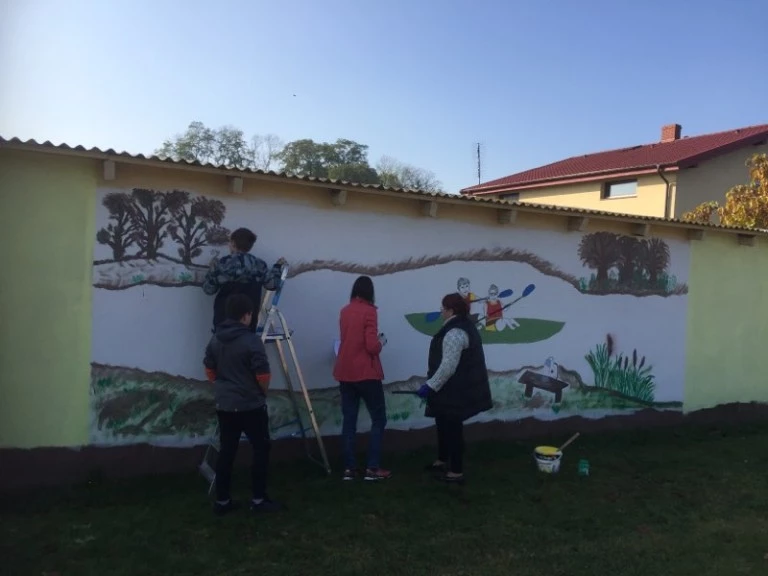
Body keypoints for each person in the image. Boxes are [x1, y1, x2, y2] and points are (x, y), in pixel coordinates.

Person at [203, 293, 283, 515]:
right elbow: (263, 375)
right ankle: (258, 500)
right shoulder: (251, 341)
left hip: (225, 405)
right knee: (260, 449)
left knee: (227, 451)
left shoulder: (216, 339)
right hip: (250, 405)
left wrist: (222, 388)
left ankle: (223, 502)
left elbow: (209, 368)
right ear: (247, 315)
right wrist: (261, 394)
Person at [417, 292, 493, 484]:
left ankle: (456, 471)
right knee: (442, 423)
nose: (441, 310)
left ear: (451, 310)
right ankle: (442, 460)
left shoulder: (454, 333)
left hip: (456, 390)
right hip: (451, 389)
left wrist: (430, 386)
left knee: (453, 428)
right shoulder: (463, 326)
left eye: (443, 307)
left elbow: (448, 366)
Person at [332, 276, 392, 481]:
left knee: (349, 420)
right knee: (379, 418)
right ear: (369, 292)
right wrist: (381, 341)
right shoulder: (370, 312)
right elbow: (371, 346)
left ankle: (349, 468)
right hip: (366, 372)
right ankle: (372, 468)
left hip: (345, 372)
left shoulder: (345, 311)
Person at [202, 227, 286, 332]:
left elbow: (208, 289)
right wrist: (277, 268)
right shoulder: (259, 265)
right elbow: (272, 285)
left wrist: (211, 271)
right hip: (249, 319)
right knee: (245, 347)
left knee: (224, 347)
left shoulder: (222, 264)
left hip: (224, 319)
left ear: (233, 243)